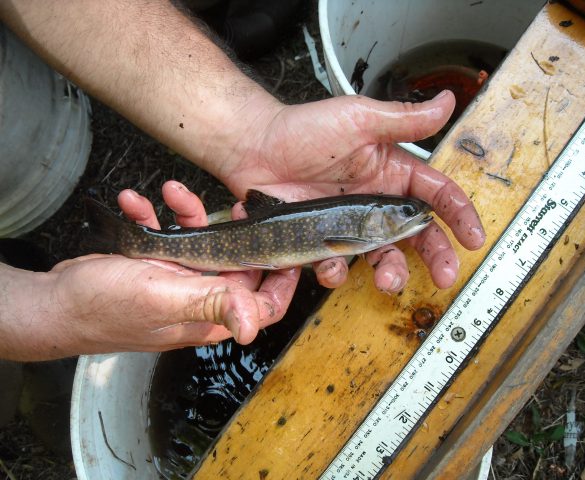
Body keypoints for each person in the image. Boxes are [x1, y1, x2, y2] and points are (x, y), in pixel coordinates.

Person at [0, 1, 485, 361]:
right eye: (401, 213)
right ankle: (127, 243)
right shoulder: (349, 233)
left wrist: (254, 133)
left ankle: (121, 243)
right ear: (370, 222)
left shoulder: (356, 226)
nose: (411, 215)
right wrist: (56, 312)